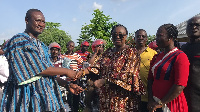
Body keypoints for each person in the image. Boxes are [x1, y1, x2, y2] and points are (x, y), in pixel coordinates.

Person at [0, 9, 78, 112]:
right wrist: (67, 71)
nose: (41, 24)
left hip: (45, 101)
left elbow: (49, 74)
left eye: (43, 22)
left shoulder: (42, 46)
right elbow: (39, 69)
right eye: (37, 20)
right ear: (27, 20)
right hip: (26, 100)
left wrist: (67, 85)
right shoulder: (19, 41)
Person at [76, 24, 145, 112]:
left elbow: (128, 76)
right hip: (106, 99)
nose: (117, 37)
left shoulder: (131, 53)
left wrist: (105, 81)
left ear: (126, 37)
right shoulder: (108, 52)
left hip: (123, 101)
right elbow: (97, 67)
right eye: (114, 35)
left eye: (121, 35)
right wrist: (82, 72)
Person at [147, 24, 190, 112]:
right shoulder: (156, 57)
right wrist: (151, 100)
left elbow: (180, 85)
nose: (156, 38)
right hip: (155, 104)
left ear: (170, 37)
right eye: (156, 35)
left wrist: (161, 103)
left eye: (160, 35)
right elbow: (150, 79)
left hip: (172, 105)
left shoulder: (180, 57)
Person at [49, 42, 84, 111]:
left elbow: (69, 70)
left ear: (59, 51)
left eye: (56, 50)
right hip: (50, 86)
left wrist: (76, 74)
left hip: (62, 86)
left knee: (64, 104)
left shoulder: (63, 60)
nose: (54, 52)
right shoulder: (46, 60)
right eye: (53, 50)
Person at [134, 29, 157, 112]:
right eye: (138, 36)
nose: (140, 38)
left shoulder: (153, 54)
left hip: (148, 97)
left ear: (146, 39)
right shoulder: (129, 53)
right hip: (131, 95)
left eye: (143, 36)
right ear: (134, 39)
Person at [182, 16, 200, 112]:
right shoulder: (183, 48)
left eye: (197, 25)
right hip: (184, 96)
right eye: (190, 25)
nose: (193, 28)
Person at [83, 39, 106, 112]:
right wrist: (95, 53)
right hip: (92, 80)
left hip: (102, 80)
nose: (101, 48)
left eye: (102, 46)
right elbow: (88, 65)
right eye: (99, 46)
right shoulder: (90, 55)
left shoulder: (106, 56)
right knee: (88, 98)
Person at [61, 41, 84, 112]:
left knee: (76, 96)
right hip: (66, 80)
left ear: (74, 47)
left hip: (75, 79)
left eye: (72, 46)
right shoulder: (63, 56)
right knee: (67, 97)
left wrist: (80, 73)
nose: (70, 47)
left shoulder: (76, 56)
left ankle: (76, 109)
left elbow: (83, 63)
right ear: (66, 46)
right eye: (69, 45)